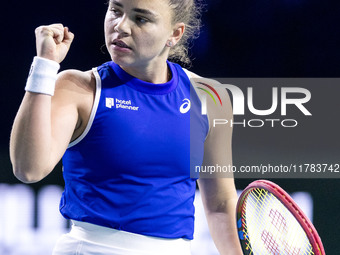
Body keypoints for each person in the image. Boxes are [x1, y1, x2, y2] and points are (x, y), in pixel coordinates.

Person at [10, 0, 242, 254]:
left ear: (174, 34)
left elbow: (221, 204)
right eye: (115, 11)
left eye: (140, 19)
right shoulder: (79, 88)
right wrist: (45, 65)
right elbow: (28, 169)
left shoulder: (209, 98)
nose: (121, 26)